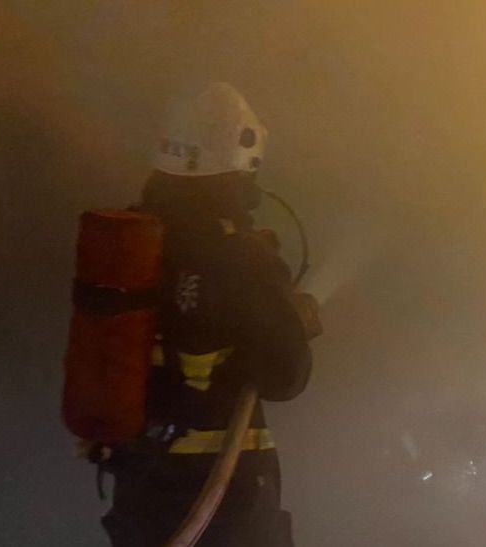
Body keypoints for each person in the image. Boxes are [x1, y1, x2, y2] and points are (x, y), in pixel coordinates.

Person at [99, 82, 312, 547]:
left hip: (139, 486)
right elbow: (285, 375)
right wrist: (296, 321)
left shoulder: (131, 244)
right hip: (223, 497)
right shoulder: (240, 255)